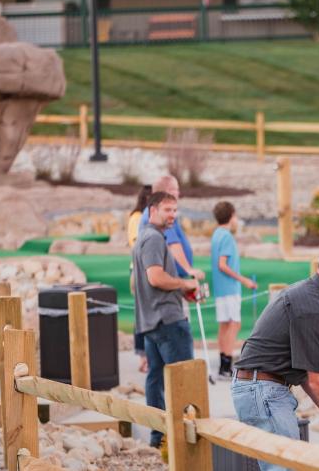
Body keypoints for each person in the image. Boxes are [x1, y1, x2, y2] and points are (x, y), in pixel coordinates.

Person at [231, 244, 319, 470]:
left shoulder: (306, 293)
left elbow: (302, 367)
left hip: (257, 387)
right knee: (286, 467)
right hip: (263, 391)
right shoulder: (312, 307)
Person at [132, 191, 200, 449]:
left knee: (156, 379)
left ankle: (160, 438)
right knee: (184, 380)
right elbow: (156, 277)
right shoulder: (153, 239)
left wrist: (183, 290)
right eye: (167, 209)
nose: (172, 215)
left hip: (152, 322)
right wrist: (185, 282)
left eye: (175, 210)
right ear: (153, 210)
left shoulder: (145, 238)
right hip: (168, 321)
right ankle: (186, 441)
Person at [210, 201, 257, 379]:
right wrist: (244, 280)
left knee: (224, 324)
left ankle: (223, 364)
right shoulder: (227, 236)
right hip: (229, 288)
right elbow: (223, 264)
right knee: (234, 324)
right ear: (231, 216)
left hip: (220, 288)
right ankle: (226, 366)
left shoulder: (216, 234)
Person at [139, 176, 205, 281]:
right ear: (168, 191)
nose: (179, 193)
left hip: (170, 279)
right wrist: (188, 270)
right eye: (177, 189)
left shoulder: (159, 213)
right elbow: (172, 244)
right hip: (165, 282)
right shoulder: (161, 216)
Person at [128, 184, 153, 374]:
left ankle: (148, 355)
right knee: (142, 315)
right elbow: (136, 244)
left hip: (148, 269)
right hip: (139, 270)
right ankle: (143, 355)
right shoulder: (137, 218)